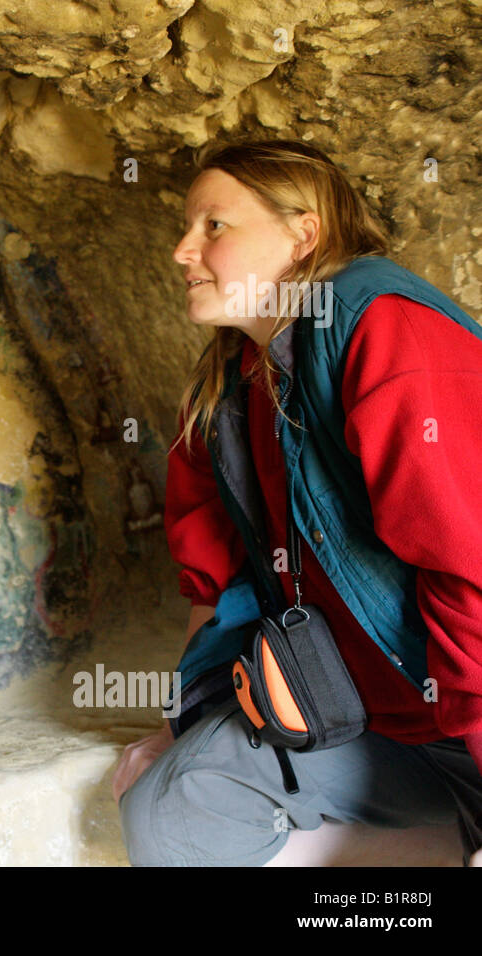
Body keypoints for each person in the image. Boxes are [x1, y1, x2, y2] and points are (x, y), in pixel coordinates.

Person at [113, 139, 482, 866]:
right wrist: (184, 728)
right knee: (173, 809)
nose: (184, 251)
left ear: (303, 232)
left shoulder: (381, 327)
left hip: (465, 716)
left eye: (214, 226)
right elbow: (217, 588)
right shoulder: (221, 392)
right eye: (187, 231)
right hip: (375, 726)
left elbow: (469, 563)